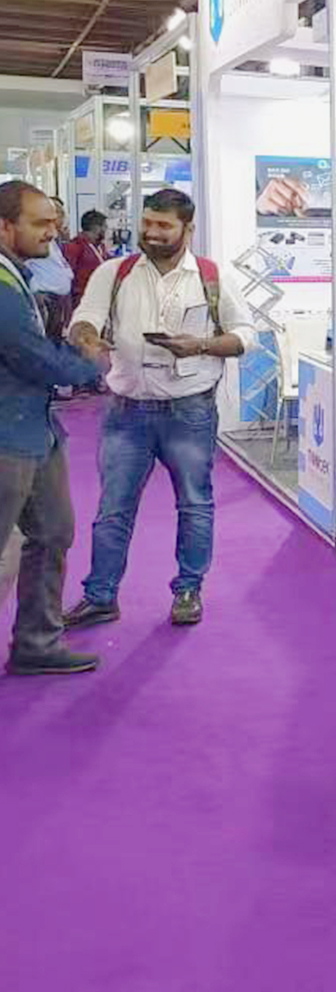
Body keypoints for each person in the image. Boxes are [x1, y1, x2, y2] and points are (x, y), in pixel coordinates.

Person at [63, 190, 256, 629]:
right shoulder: (115, 272)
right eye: (147, 223)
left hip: (190, 412)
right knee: (113, 508)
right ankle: (100, 596)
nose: (151, 232)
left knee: (194, 503)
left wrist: (201, 345)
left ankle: (188, 590)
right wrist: (87, 338)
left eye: (164, 226)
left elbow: (245, 334)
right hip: (125, 412)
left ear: (188, 229)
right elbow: (83, 317)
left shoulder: (212, 276)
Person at [0, 181, 107, 675]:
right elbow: (32, 357)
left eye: (54, 222)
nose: (53, 232)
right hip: (8, 435)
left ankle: (37, 643)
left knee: (53, 532)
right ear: (5, 226)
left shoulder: (17, 275)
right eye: (40, 223)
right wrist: (89, 363)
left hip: (37, 430)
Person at [27, 199, 74, 342]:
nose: (62, 215)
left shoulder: (53, 240)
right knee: (46, 342)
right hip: (46, 299)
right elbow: (24, 264)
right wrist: (34, 291)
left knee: (56, 341)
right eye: (58, 212)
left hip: (58, 300)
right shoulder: (34, 238)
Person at [64, 209, 108, 307]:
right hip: (81, 300)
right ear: (96, 228)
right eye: (104, 226)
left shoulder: (101, 247)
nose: (106, 229)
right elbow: (68, 275)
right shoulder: (75, 246)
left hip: (99, 298)